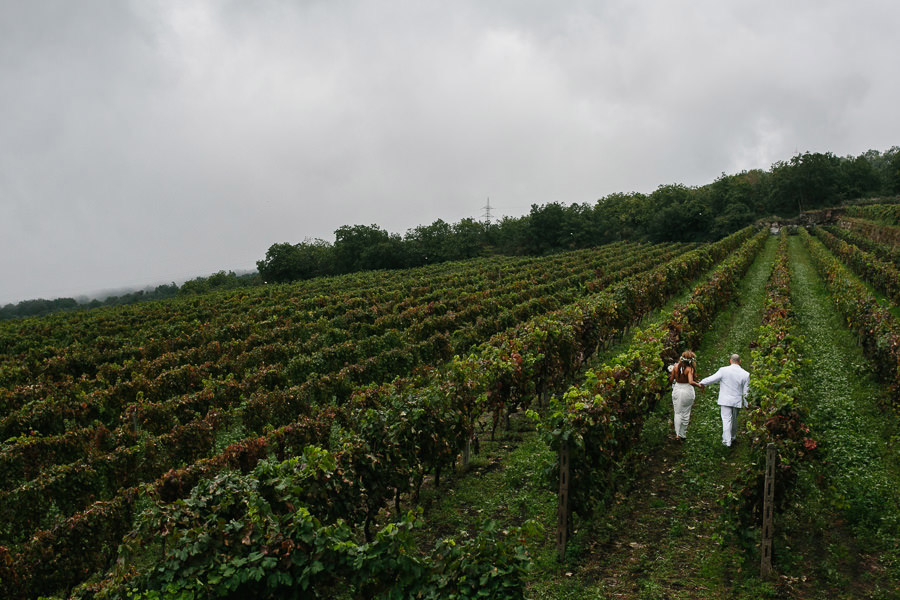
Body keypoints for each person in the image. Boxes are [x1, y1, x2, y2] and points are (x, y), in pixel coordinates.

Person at [698, 354, 750, 447]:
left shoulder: (723, 370)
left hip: (725, 399)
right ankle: (733, 437)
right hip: (737, 400)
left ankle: (727, 441)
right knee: (734, 420)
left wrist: (702, 382)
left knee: (726, 420)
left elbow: (712, 379)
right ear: (740, 361)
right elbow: (746, 391)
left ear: (730, 361)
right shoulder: (745, 374)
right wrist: (746, 404)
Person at [667, 350, 701, 440]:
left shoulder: (675, 367)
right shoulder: (689, 369)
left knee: (677, 412)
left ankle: (677, 433)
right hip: (687, 390)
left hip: (677, 389)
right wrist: (699, 385)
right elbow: (690, 381)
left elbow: (671, 379)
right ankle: (683, 434)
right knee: (686, 412)